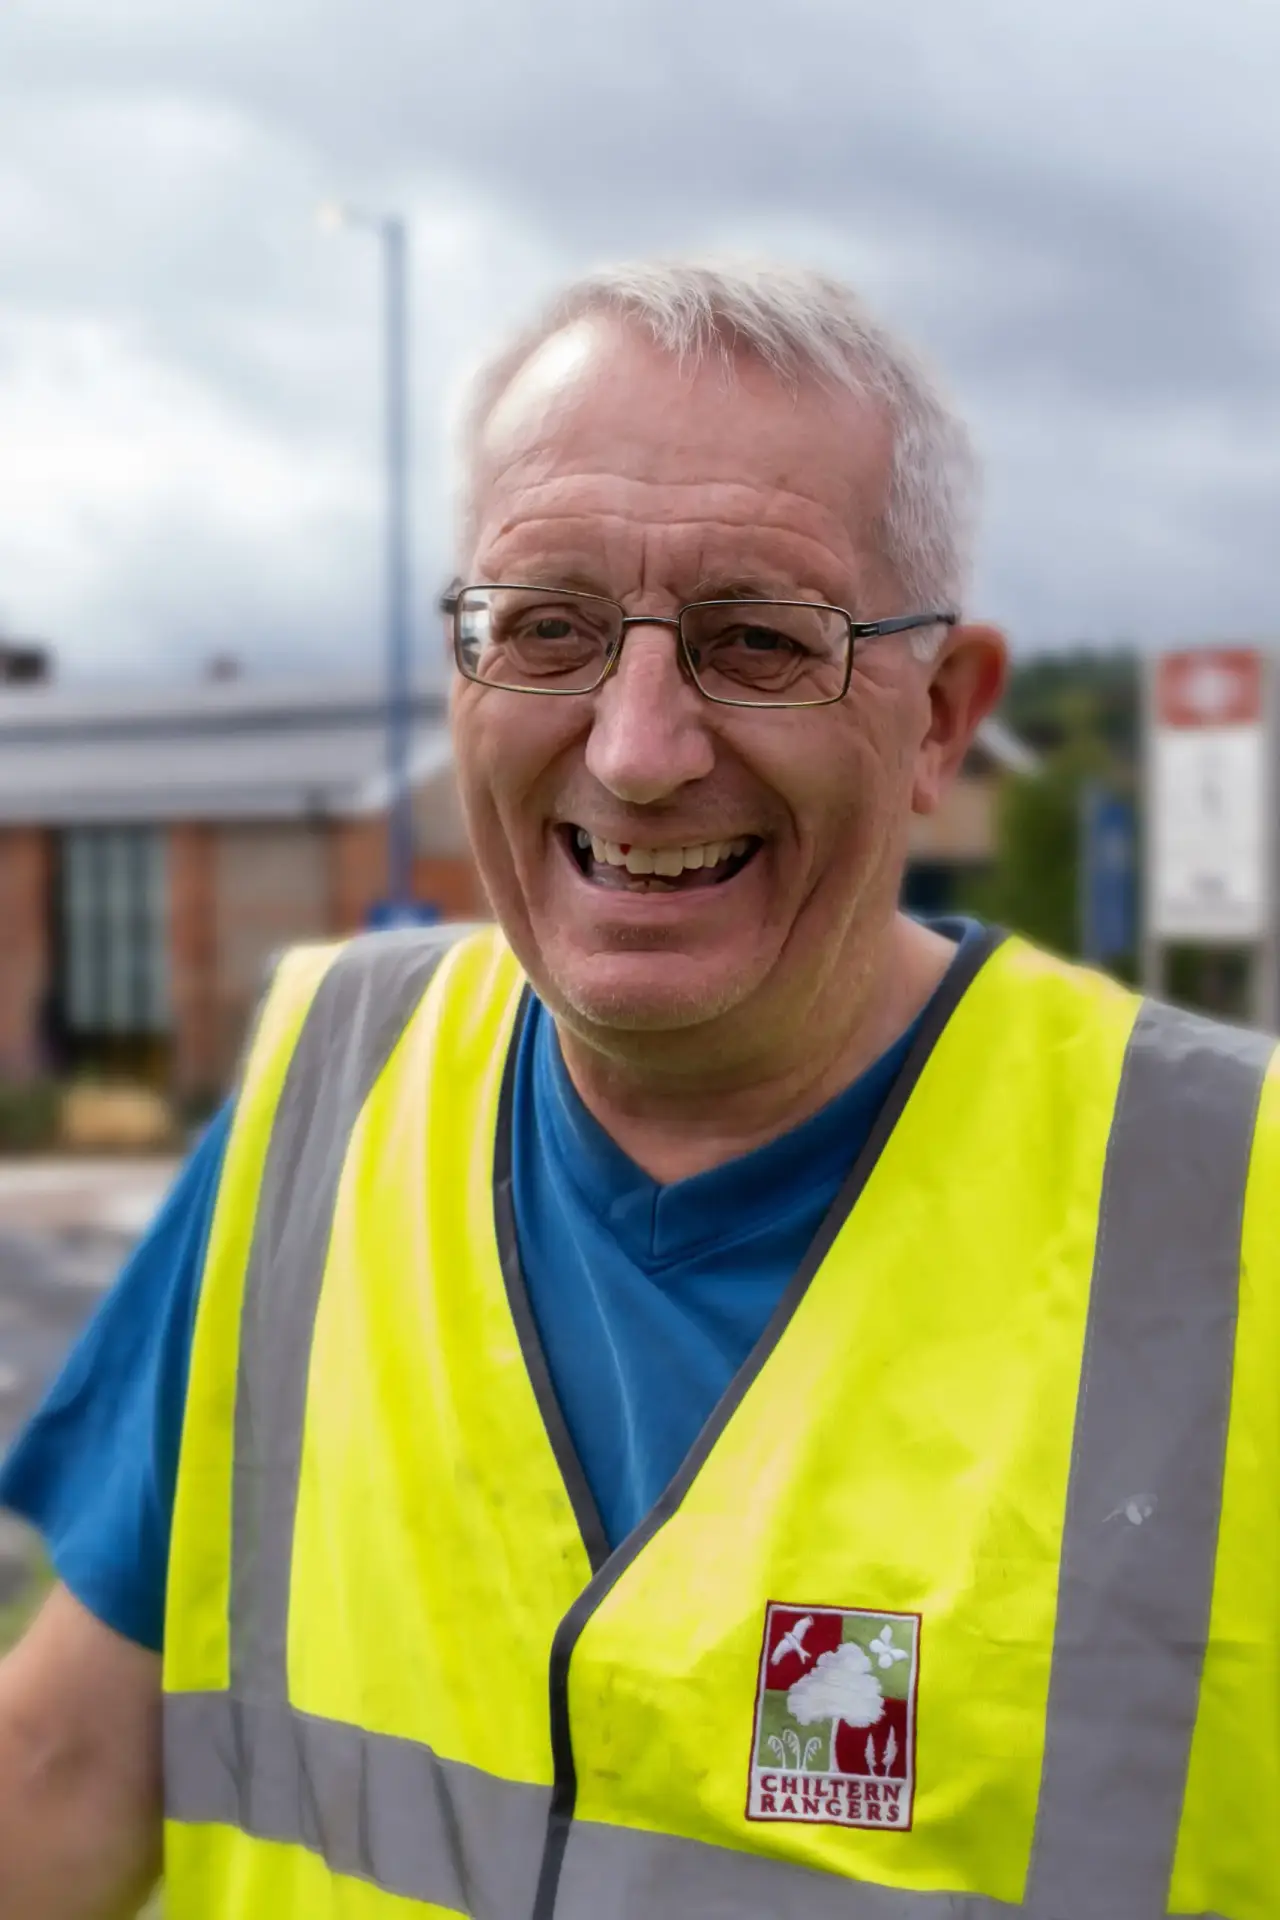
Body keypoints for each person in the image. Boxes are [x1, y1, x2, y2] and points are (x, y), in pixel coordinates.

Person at [0, 259, 1275, 1920]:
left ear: (941, 720)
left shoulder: (1231, 1204)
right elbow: (67, 1772)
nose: (636, 747)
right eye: (548, 629)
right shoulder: (329, 1099)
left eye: (758, 639)